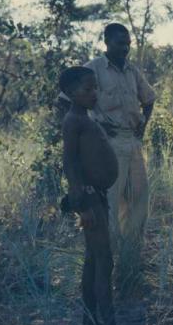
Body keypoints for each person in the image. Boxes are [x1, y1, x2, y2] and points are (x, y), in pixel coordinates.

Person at [58, 23, 156, 279]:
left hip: (132, 142)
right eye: (119, 43)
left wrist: (142, 127)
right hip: (107, 144)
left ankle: (130, 262)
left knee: (139, 202)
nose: (124, 48)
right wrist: (91, 130)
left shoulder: (132, 71)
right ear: (106, 42)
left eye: (127, 44)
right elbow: (66, 101)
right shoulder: (93, 69)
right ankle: (106, 265)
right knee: (110, 205)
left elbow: (149, 98)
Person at [60, 65, 134, 325]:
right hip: (89, 199)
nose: (94, 94)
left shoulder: (84, 117)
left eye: (95, 88)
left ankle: (89, 321)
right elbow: (70, 163)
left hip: (96, 195)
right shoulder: (73, 120)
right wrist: (82, 203)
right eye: (87, 89)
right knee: (105, 262)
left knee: (93, 260)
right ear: (70, 92)